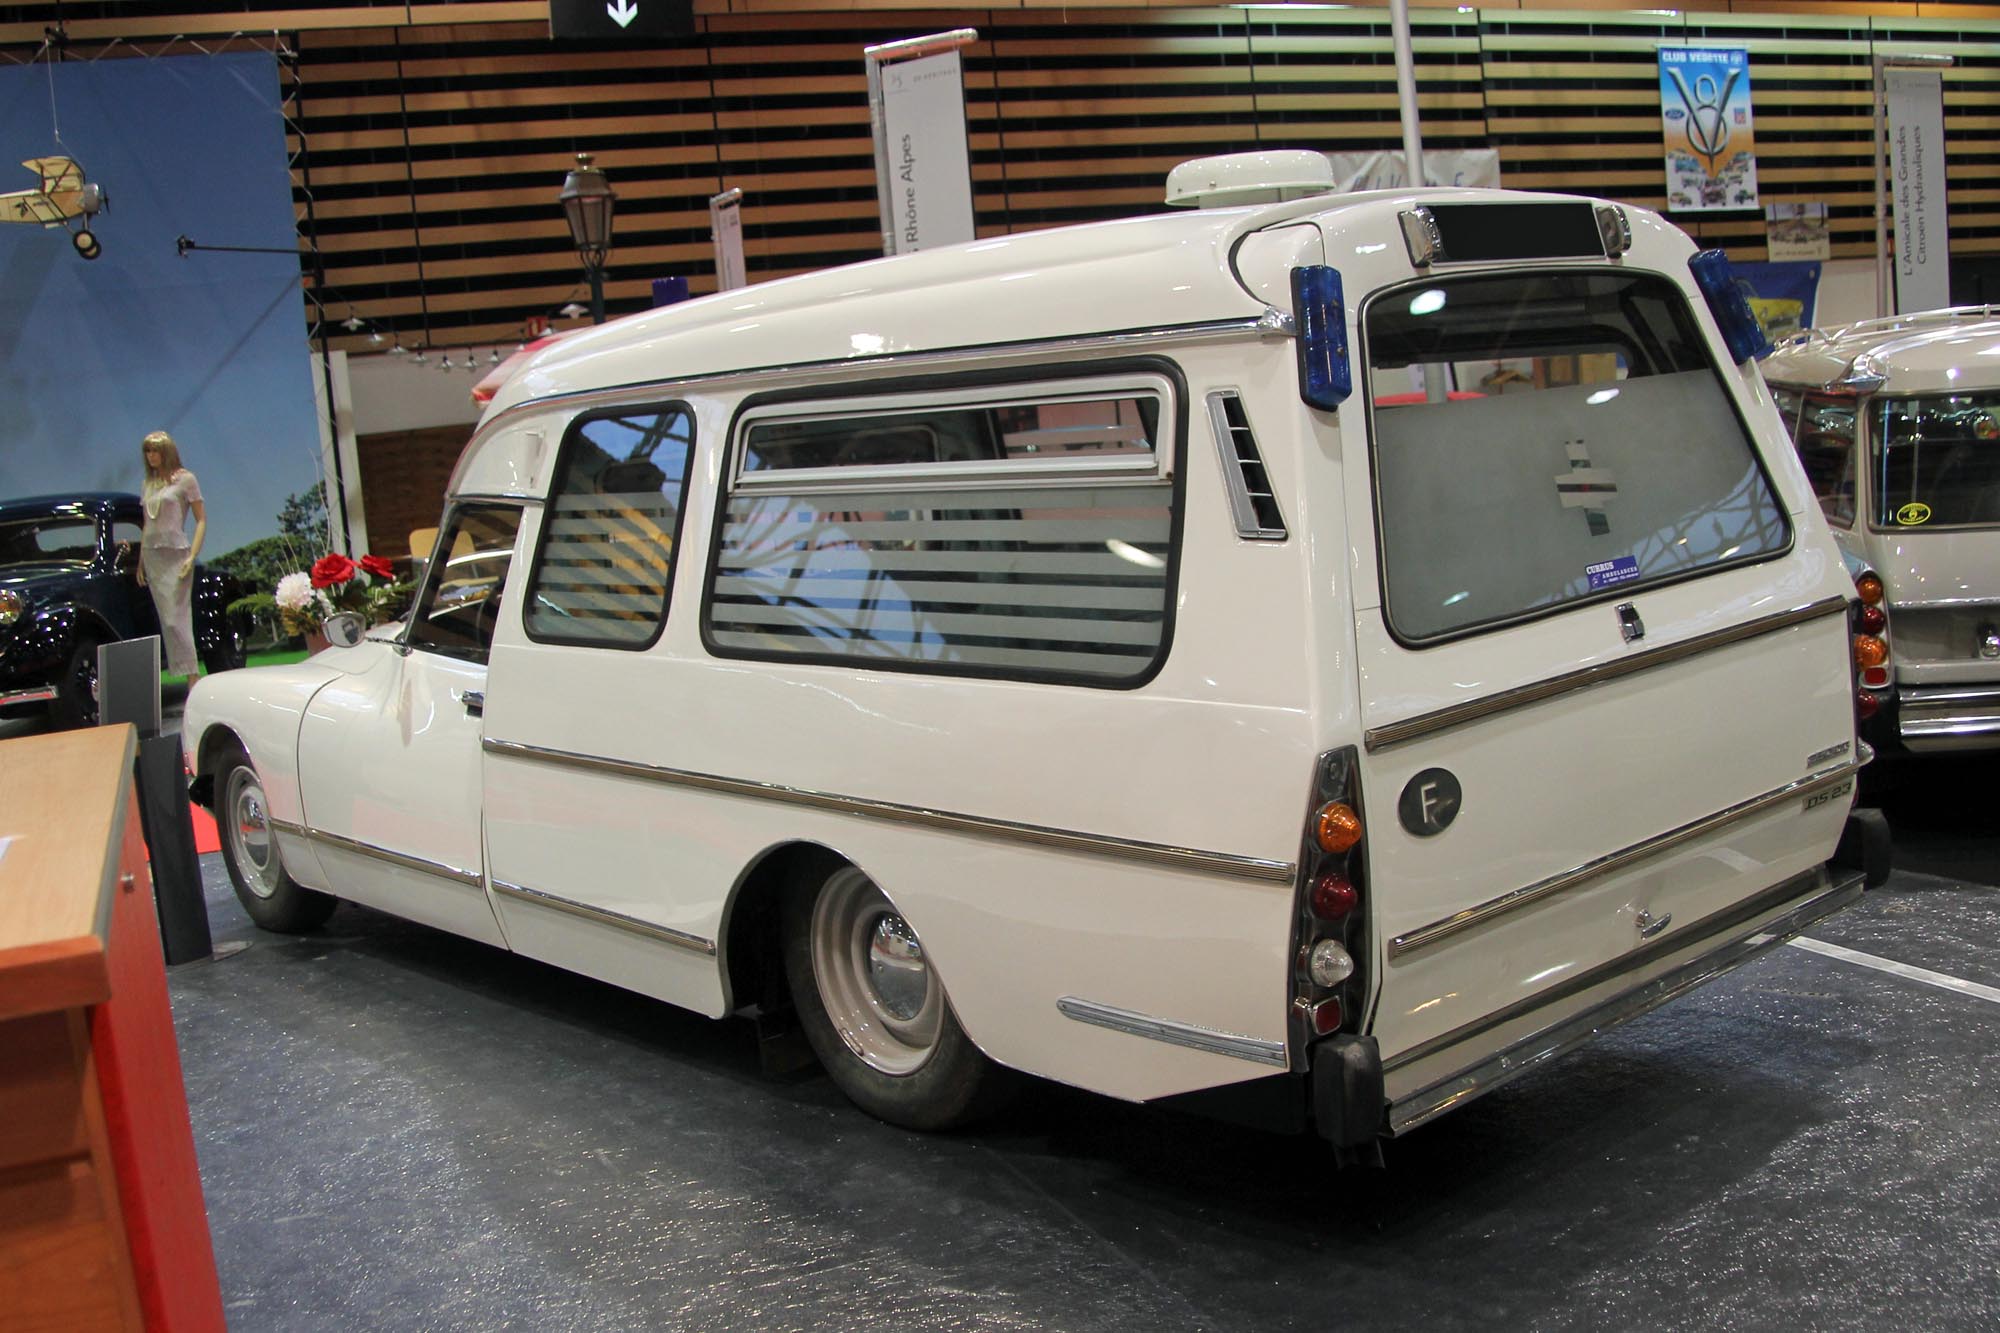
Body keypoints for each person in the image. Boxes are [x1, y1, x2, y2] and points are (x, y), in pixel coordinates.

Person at [136, 430, 206, 683]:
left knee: (178, 619)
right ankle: (187, 674)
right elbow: (146, 524)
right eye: (148, 451)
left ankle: (193, 678)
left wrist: (193, 554)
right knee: (167, 621)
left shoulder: (185, 480)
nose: (151, 456)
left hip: (177, 555)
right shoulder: (148, 484)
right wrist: (141, 561)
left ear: (167, 452)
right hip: (153, 557)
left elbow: (201, 520)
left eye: (155, 451)